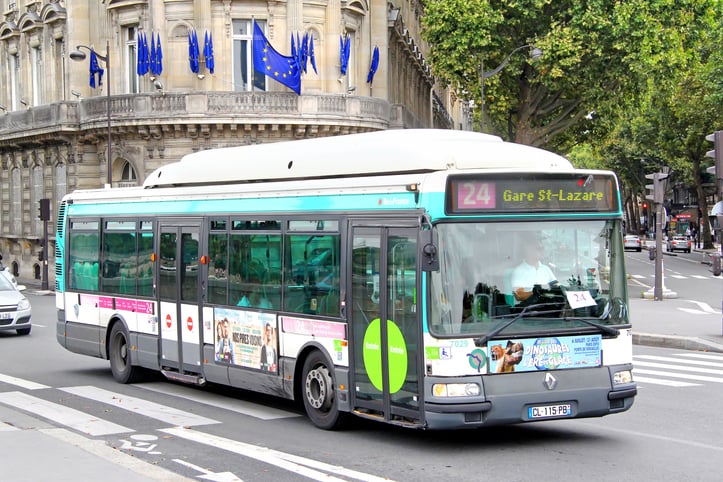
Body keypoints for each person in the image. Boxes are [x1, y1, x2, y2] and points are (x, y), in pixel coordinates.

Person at [510, 240, 557, 304]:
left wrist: (544, 291)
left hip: (547, 308)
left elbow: (556, 286)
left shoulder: (546, 269)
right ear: (529, 251)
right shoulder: (519, 271)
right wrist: (537, 292)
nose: (542, 251)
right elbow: (518, 295)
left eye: (542, 249)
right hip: (527, 310)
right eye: (539, 249)